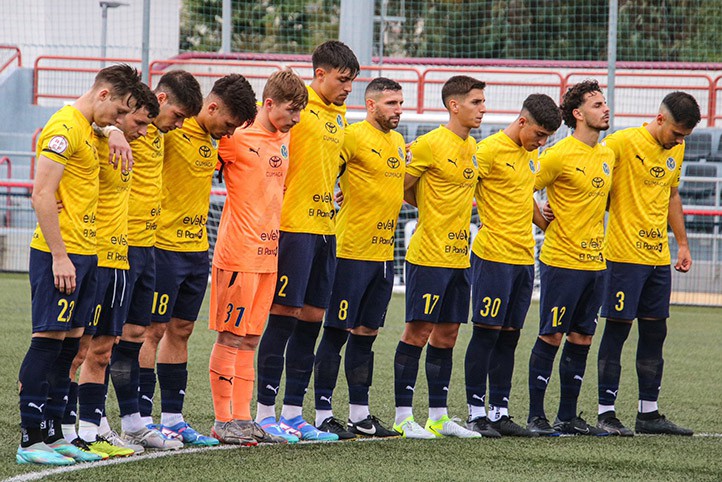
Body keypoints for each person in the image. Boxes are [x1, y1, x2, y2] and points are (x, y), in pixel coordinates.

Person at [17, 64, 142, 466]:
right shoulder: (65, 126)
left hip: (89, 253)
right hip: (62, 254)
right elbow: (41, 195)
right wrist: (59, 256)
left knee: (72, 343)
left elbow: (106, 127)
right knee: (48, 341)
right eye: (120, 112)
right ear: (103, 94)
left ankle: (54, 434)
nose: (120, 120)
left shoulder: (91, 128)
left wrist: (115, 129)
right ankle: (29, 439)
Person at [137, 74, 257, 446]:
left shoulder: (214, 141)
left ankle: (173, 418)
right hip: (162, 246)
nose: (230, 133)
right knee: (151, 331)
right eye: (228, 124)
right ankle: (140, 418)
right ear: (213, 106)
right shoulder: (171, 128)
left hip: (195, 250)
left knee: (182, 331)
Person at [254, 40, 359, 442]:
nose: (348, 87)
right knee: (284, 316)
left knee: (314, 317)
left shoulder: (340, 113)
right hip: (293, 228)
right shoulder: (296, 108)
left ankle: (295, 413)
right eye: (342, 79)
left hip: (326, 230)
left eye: (352, 81)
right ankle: (265, 413)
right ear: (320, 74)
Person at [209, 69, 308, 446]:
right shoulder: (235, 136)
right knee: (230, 337)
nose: (296, 118)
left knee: (251, 340)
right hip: (237, 254)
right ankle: (222, 420)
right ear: (268, 104)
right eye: (291, 110)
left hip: (269, 256)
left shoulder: (286, 137)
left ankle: (243, 418)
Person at [595, 92, 700, 436]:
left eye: (685, 136)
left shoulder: (675, 149)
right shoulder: (622, 142)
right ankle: (606, 412)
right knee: (617, 330)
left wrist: (681, 244)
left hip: (658, 257)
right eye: (677, 134)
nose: (679, 141)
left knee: (655, 331)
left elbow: (671, 195)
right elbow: (588, 176)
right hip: (623, 257)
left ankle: (649, 413)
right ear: (660, 119)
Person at [108, 70, 203, 449]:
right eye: (177, 116)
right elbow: (88, 118)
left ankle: (134, 421)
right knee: (97, 340)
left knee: (132, 334)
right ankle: (83, 424)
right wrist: (112, 131)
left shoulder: (161, 134)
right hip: (115, 246)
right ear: (160, 102)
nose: (179, 125)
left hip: (147, 248)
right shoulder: (125, 127)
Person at [392, 75, 486, 440]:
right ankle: (403, 416)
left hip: (460, 258)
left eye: (482, 101)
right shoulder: (429, 144)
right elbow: (399, 185)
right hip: (428, 255)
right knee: (418, 332)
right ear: (454, 105)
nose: (482, 108)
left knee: (447, 335)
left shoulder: (473, 147)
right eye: (476, 102)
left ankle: (438, 416)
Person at [312, 78, 406, 439]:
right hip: (349, 251)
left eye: (400, 103)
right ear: (370, 105)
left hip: (384, 255)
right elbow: (323, 173)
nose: (398, 109)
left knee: (367, 334)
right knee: (336, 333)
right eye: (391, 103)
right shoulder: (351, 136)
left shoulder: (398, 142)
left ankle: (360, 415)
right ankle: (322, 413)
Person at [464, 94, 561, 438]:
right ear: (522, 122)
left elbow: (524, 195)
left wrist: (544, 221)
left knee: (509, 337)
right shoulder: (487, 150)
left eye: (547, 137)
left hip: (523, 259)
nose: (541, 142)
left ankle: (500, 411)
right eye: (538, 134)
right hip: (492, 256)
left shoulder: (531, 153)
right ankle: (475, 413)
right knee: (486, 334)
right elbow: (456, 185)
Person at [72, 85, 161, 458]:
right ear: (119, 109)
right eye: (137, 122)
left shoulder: (129, 135)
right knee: (73, 348)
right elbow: (89, 123)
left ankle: (92, 427)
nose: (143, 131)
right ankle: (52, 424)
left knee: (104, 348)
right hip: (90, 254)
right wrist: (111, 131)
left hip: (120, 254)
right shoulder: (92, 130)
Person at [526, 79, 614, 436]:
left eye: (604, 103)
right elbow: (521, 185)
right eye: (596, 104)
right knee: (552, 336)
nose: (605, 108)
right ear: (578, 114)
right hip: (562, 262)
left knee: (582, 338)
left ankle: (568, 416)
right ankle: (535, 417)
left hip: (597, 263)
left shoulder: (607, 154)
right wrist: (540, 218)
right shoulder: (558, 154)